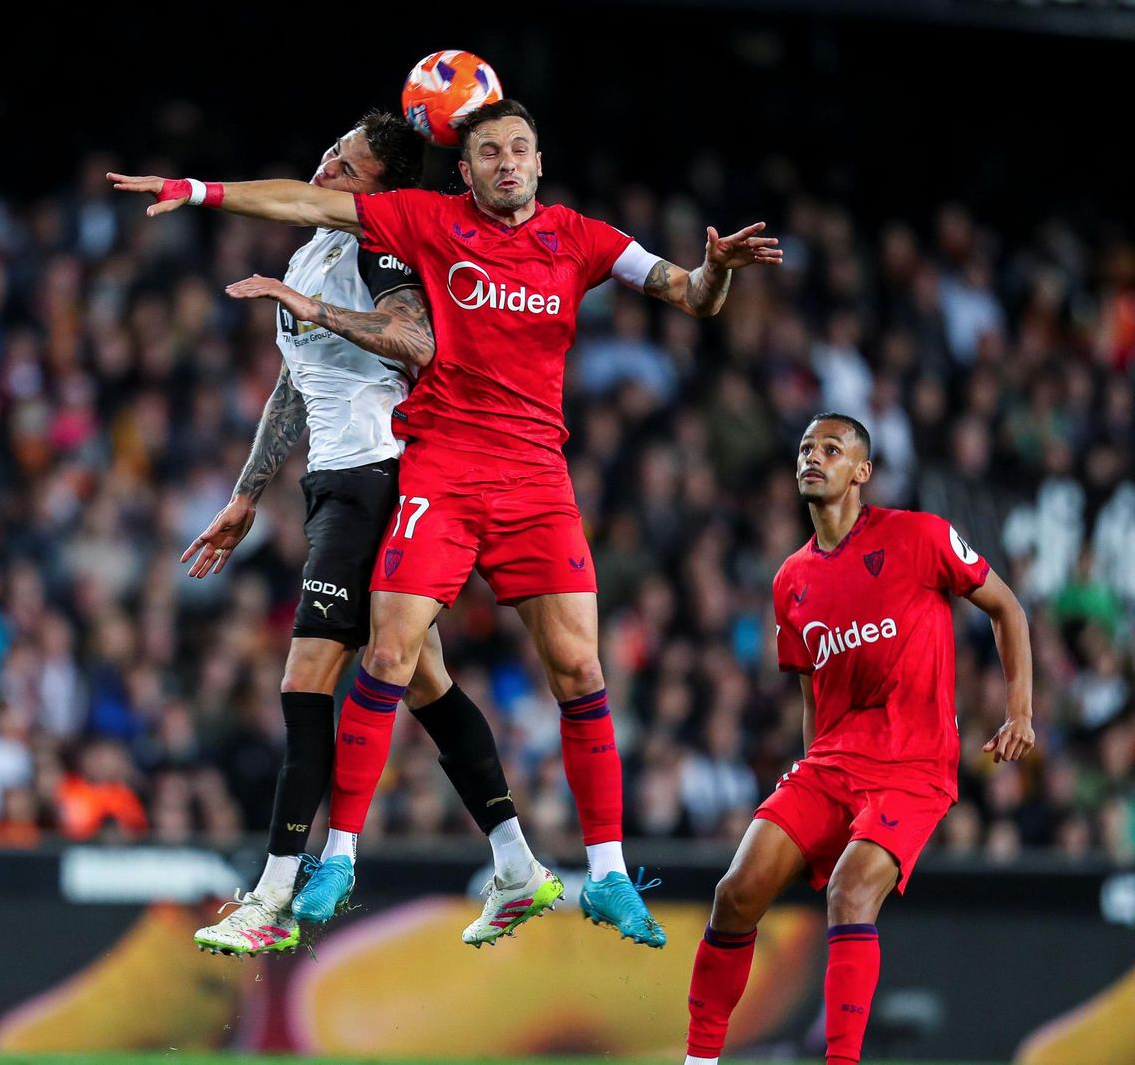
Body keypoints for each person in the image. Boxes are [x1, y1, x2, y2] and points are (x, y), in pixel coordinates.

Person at [111, 99, 780, 946]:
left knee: (556, 667)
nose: (508, 162)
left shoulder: (565, 237)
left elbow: (688, 293)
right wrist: (194, 189)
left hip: (464, 473)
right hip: (430, 472)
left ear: (540, 161)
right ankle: (481, 866)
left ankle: (580, 873)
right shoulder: (395, 229)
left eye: (521, 149)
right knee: (407, 670)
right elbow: (299, 297)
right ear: (462, 169)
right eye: (491, 149)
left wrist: (715, 268)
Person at [189, 113, 553, 956]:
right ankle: (517, 862)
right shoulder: (309, 251)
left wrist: (311, 308)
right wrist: (247, 496)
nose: (326, 166)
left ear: (378, 192)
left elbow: (418, 340)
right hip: (332, 482)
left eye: (346, 166)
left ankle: (273, 891)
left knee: (307, 678)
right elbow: (296, 384)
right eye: (328, 151)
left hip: (380, 477)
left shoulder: (375, 249)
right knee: (424, 683)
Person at [682, 413, 1034, 1065]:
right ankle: (699, 1060)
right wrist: (811, 769)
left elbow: (1007, 608)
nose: (813, 458)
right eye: (806, 448)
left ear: (861, 471)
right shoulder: (791, 580)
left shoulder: (919, 536)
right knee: (735, 893)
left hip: (914, 763)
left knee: (850, 891)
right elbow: (810, 692)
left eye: (832, 449)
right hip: (830, 761)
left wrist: (1020, 712)